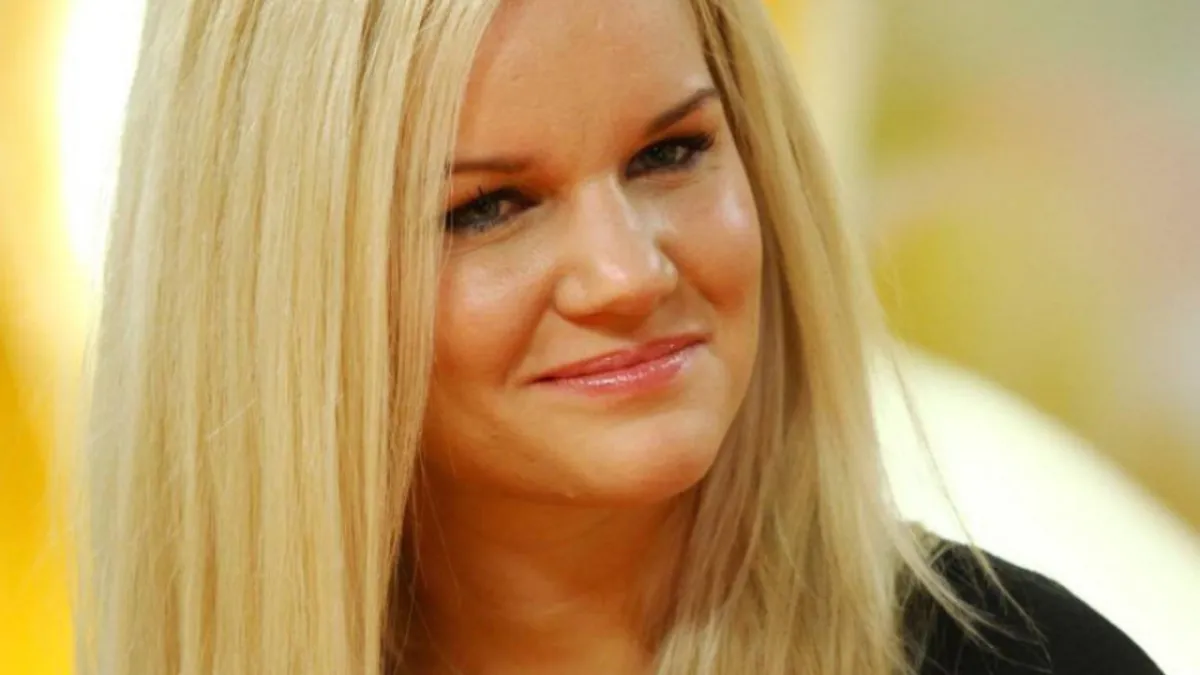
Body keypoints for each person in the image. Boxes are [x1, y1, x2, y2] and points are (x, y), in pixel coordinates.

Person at [74, 1, 1165, 674]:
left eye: (670, 153)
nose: (629, 274)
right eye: (487, 208)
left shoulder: (1038, 663)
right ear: (279, 298)